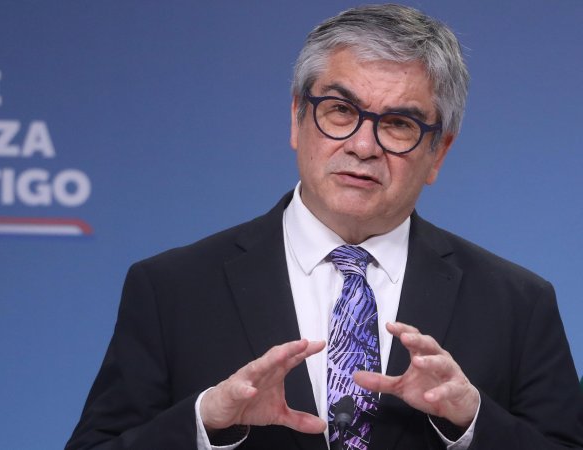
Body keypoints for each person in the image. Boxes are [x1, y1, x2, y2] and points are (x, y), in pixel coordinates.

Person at [66, 4, 583, 449]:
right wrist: (206, 424)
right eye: (340, 111)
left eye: (398, 124)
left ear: (438, 152)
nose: (363, 145)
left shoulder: (517, 304)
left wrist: (472, 423)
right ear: (297, 117)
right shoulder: (172, 289)